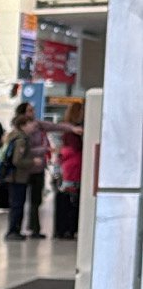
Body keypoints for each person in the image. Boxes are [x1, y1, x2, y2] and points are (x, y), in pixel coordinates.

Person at [3, 100, 49, 240]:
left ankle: (16, 230)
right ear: (23, 125)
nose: (32, 126)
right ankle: (13, 231)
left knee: (19, 204)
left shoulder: (18, 137)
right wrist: (33, 161)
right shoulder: (21, 140)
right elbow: (18, 160)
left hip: (19, 177)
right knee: (17, 204)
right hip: (18, 177)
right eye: (29, 124)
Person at [55, 101, 84, 239]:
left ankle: (64, 229)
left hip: (68, 169)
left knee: (66, 199)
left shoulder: (67, 133)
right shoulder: (75, 133)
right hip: (74, 170)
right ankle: (68, 228)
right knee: (71, 201)